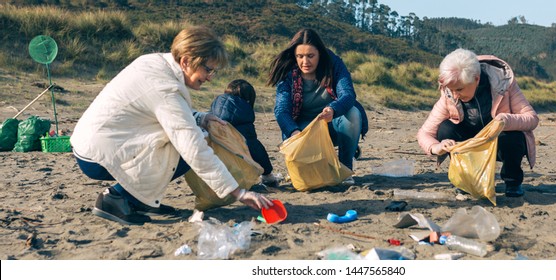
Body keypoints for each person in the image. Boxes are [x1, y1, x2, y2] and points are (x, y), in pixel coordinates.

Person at [70, 26, 272, 225]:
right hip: (97, 157)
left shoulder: (155, 62)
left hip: (96, 142)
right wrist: (238, 192)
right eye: (208, 69)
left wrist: (200, 117)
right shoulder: (164, 87)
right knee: (191, 144)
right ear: (186, 61)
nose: (210, 77)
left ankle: (139, 200)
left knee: (190, 135)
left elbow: (158, 112)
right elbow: (191, 146)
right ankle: (116, 198)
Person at [416, 48, 539, 197]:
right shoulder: (449, 95)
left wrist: (506, 120)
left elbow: (532, 119)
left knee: (513, 135)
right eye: (451, 90)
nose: (455, 95)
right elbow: (424, 133)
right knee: (446, 129)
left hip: (498, 144)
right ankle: (467, 180)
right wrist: (436, 147)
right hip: (469, 145)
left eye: (460, 89)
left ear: (476, 79)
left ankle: (513, 182)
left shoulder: (504, 84)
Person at [267, 28, 368, 186]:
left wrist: (333, 109)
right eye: (300, 56)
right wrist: (295, 133)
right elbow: (281, 111)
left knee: (353, 113)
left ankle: (346, 168)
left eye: (310, 56)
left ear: (320, 54)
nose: (305, 62)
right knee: (310, 177)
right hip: (302, 129)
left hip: (332, 125)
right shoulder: (287, 74)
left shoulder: (334, 64)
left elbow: (348, 94)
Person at [209, 79, 280, 186]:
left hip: (210, 170)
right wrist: (267, 173)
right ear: (248, 101)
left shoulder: (211, 114)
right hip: (234, 174)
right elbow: (256, 149)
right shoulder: (243, 118)